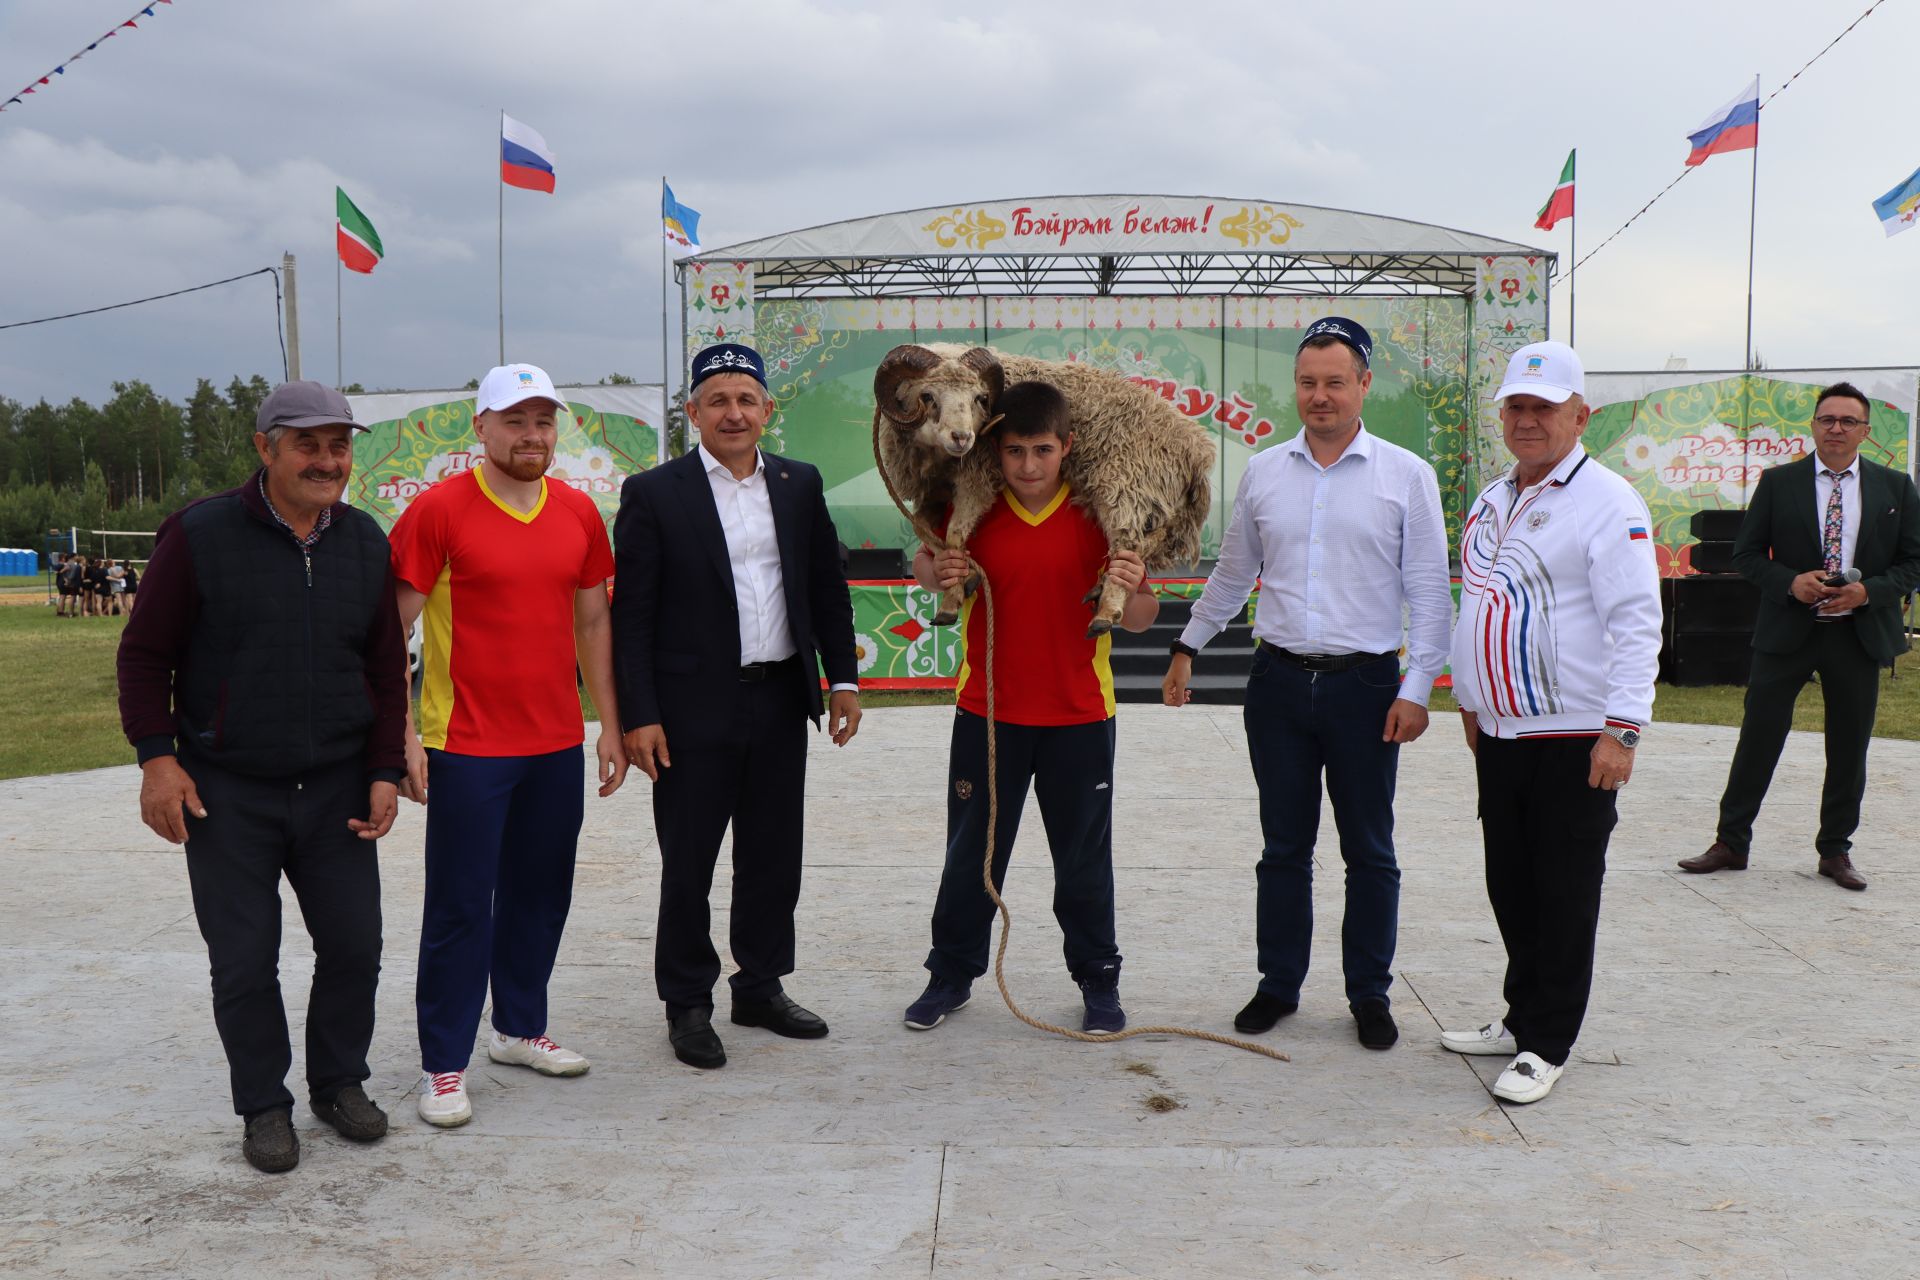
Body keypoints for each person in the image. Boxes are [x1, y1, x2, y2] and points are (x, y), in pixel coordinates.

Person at [116, 379, 406, 1172]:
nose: (326, 460)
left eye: (338, 445)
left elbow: (385, 670)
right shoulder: (200, 533)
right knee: (244, 961)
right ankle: (265, 1106)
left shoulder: (365, 540)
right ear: (265, 449)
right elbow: (144, 656)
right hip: (227, 792)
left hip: (339, 786)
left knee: (354, 947)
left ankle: (338, 1083)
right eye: (306, 443)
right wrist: (158, 759)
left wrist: (384, 767)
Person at [1160, 317, 1452, 1050]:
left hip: (1366, 691)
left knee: (1370, 851)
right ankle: (1278, 985)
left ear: (1363, 386)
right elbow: (1233, 574)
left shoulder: (1405, 475)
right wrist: (1187, 644)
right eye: (1307, 383)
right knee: (1283, 848)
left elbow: (1429, 593)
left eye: (1334, 382)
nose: (1319, 397)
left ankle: (1369, 995)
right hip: (1280, 687)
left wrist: (1417, 688)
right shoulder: (1264, 471)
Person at [389, 362, 629, 1127]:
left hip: (555, 741)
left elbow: (593, 622)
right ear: (481, 428)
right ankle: (444, 1065)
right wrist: (402, 736)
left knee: (539, 894)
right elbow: (389, 631)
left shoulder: (580, 513)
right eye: (515, 421)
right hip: (465, 744)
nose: (532, 436)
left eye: (543, 421)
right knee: (462, 907)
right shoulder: (437, 511)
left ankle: (519, 1028)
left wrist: (610, 726)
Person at [612, 342, 861, 1070]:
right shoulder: (655, 493)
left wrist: (842, 680)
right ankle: (687, 1002)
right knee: (688, 861)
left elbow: (825, 588)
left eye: (746, 399)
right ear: (692, 412)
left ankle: (760, 985)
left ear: (767, 411)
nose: (733, 412)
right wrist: (637, 714)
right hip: (690, 711)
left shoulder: (798, 483)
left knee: (773, 856)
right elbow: (633, 617)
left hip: (782, 698)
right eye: (717, 399)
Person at [1442, 340, 1661, 1104]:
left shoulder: (1608, 501)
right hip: (1500, 733)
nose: (1527, 420)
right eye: (1516, 407)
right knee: (1512, 884)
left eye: (1544, 407)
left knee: (1565, 890)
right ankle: (1519, 1014)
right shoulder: (1495, 495)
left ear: (1580, 415)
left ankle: (1548, 1042)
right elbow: (1477, 601)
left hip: (1574, 735)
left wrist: (1623, 729)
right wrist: (1470, 696)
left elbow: (1636, 621)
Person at [904, 381, 1158, 1036]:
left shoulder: (1104, 517)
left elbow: (1141, 620)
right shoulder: (973, 511)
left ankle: (1099, 981)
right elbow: (924, 568)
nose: (1027, 465)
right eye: (1014, 450)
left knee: (1083, 860)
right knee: (972, 856)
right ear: (997, 449)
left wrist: (1128, 589)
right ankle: (950, 974)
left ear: (1066, 447)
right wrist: (939, 568)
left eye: (1042, 450)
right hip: (987, 713)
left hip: (1080, 716)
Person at [1679, 382, 1920, 890]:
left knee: (1849, 747)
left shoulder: (1896, 488)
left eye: (1847, 421)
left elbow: (1912, 563)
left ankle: (1835, 852)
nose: (1836, 428)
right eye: (1827, 419)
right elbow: (1745, 556)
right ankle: (1731, 842)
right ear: (1812, 426)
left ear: (1865, 432)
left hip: (1857, 636)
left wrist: (1869, 592)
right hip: (1787, 632)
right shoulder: (1778, 482)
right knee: (1758, 740)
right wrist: (1789, 582)